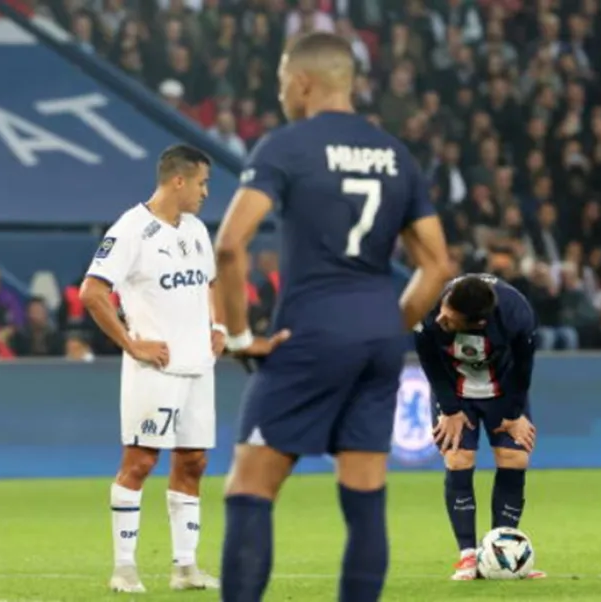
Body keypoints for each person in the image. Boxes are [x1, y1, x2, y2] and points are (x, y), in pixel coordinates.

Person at [212, 32, 451, 602]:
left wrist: (240, 335)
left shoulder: (286, 146)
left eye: (281, 83)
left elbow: (229, 245)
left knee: (250, 485)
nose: (280, 95)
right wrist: (388, 325)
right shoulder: (396, 154)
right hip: (378, 335)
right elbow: (437, 265)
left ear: (301, 82)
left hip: (311, 329)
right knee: (365, 494)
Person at [80, 145, 284, 593]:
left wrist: (218, 325)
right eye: (202, 183)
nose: (206, 192)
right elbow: (92, 292)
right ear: (178, 181)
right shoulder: (131, 229)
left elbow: (210, 284)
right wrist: (131, 343)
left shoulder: (194, 230)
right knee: (140, 461)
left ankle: (185, 567)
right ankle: (124, 568)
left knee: (193, 461)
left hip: (198, 366)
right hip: (154, 368)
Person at [415, 273, 547, 580]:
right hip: (454, 389)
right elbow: (428, 358)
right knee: (458, 458)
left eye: (451, 319)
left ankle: (503, 552)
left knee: (514, 458)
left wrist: (514, 414)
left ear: (479, 324)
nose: (441, 318)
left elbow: (524, 366)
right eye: (444, 310)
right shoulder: (430, 304)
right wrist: (449, 409)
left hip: (503, 389)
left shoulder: (517, 314)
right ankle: (467, 556)